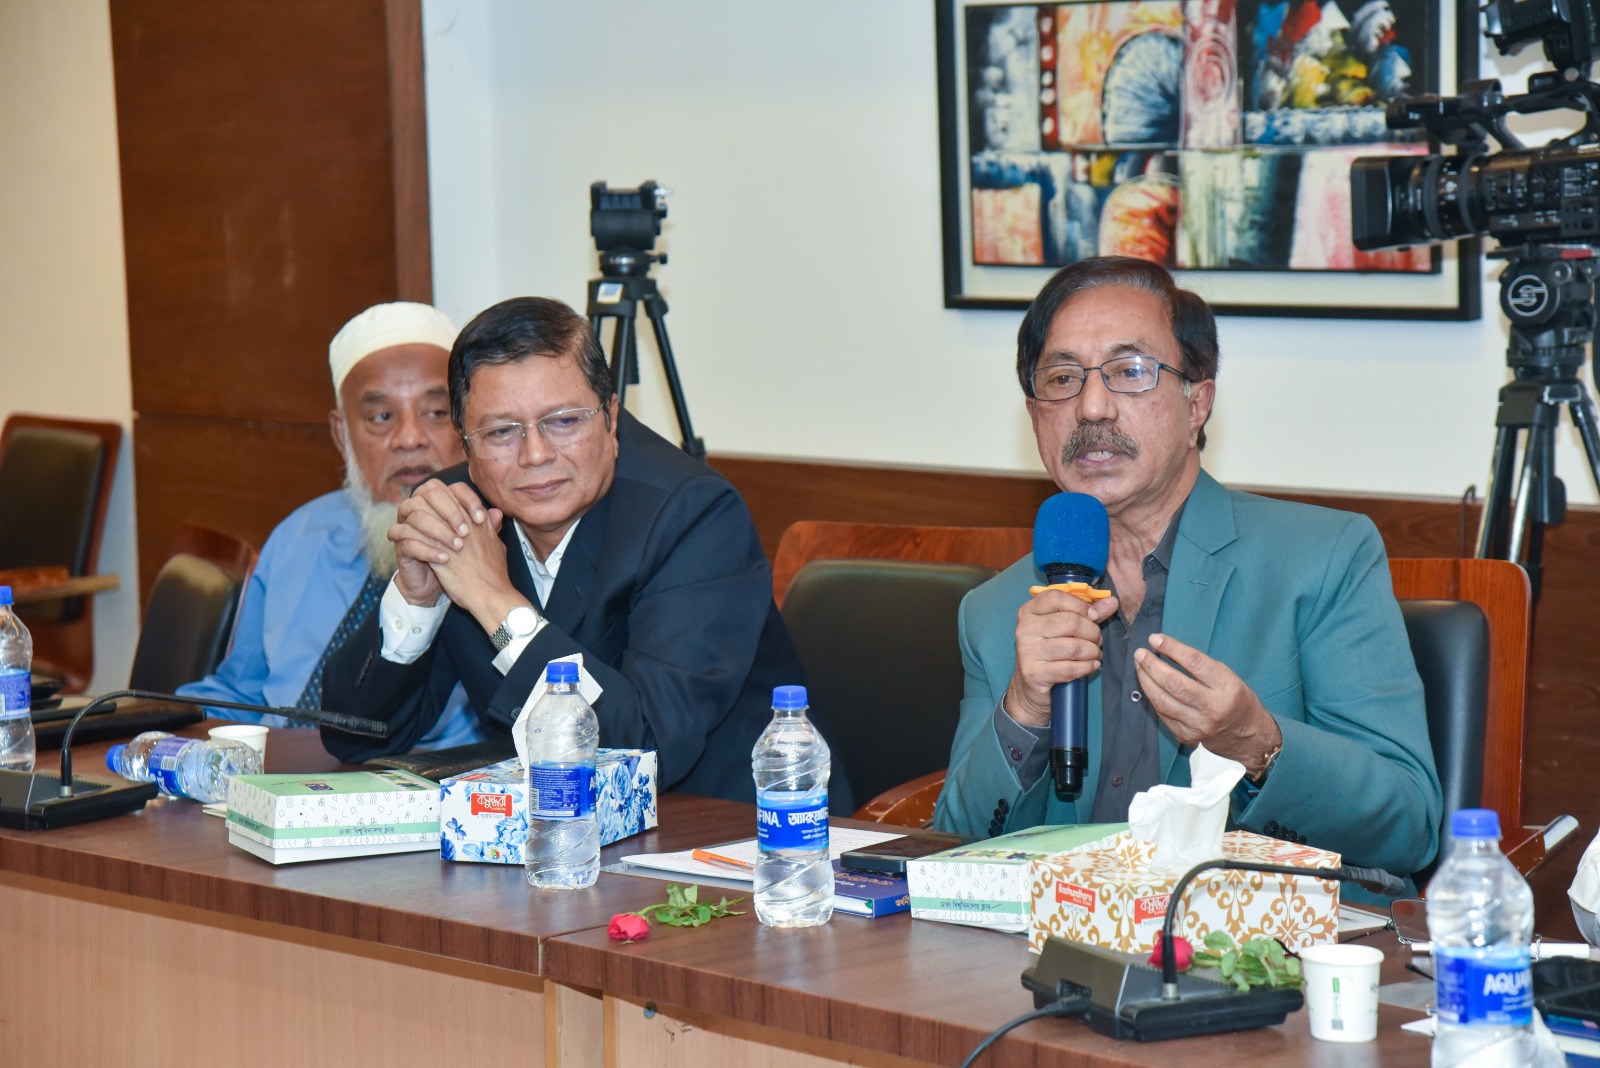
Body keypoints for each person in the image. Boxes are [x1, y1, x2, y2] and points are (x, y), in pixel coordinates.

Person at [932, 257, 1440, 882]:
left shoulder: (1323, 558)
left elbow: (1409, 825)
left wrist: (1257, 742)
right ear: (1036, 414)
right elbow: (952, 849)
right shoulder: (996, 610)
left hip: (1255, 932)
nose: (1092, 407)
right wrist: (1024, 710)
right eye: (1062, 379)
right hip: (1060, 931)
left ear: (1197, 403)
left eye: (1129, 372)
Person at [317, 296, 849, 810]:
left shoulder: (694, 516)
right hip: (553, 833)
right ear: (467, 445)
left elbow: (644, 752)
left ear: (611, 419)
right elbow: (358, 738)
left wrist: (493, 599)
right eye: (501, 432)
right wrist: (417, 601)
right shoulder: (462, 512)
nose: (535, 454)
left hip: (741, 836)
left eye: (564, 421)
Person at [178, 302, 483, 749]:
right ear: (342, 434)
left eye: (436, 412)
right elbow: (241, 692)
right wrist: (160, 728)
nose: (410, 438)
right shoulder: (300, 534)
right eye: (382, 417)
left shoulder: (498, 553)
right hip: (271, 775)